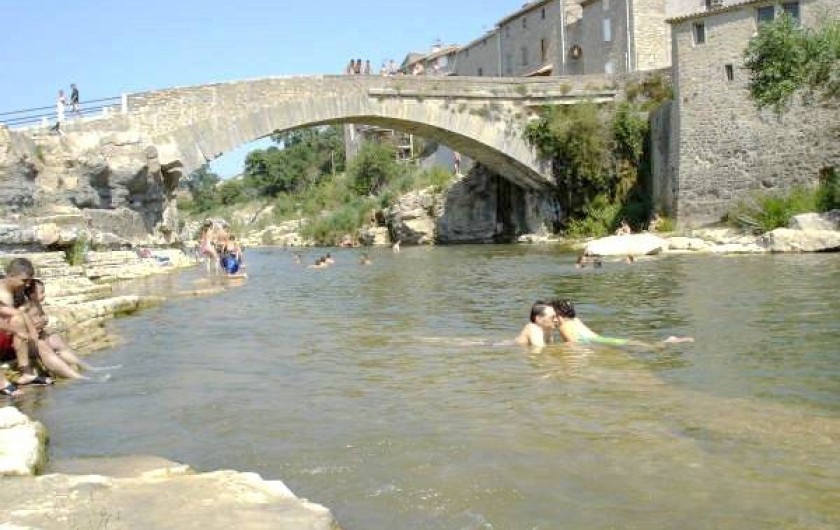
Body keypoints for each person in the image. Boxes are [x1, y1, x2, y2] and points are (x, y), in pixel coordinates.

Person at [0, 258, 53, 386]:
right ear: (11, 276)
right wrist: (20, 330)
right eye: (24, 280)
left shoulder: (19, 290)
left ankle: (85, 374)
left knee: (52, 341)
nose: (28, 284)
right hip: (7, 339)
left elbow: (26, 310)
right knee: (42, 346)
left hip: (14, 339)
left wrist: (42, 321)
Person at [551, 299, 693, 346]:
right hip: (602, 340)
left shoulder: (564, 326)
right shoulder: (574, 320)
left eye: (553, 316)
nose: (552, 319)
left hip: (600, 342)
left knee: (649, 347)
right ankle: (667, 341)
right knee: (636, 344)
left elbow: (572, 346)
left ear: (559, 315)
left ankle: (668, 341)